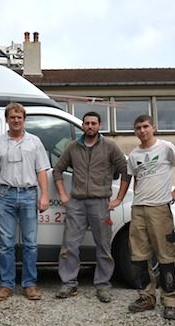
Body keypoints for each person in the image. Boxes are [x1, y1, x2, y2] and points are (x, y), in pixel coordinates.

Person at [53, 111, 130, 303]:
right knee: (70, 245)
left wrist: (119, 198)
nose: (89, 126)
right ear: (82, 126)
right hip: (76, 203)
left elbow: (126, 171)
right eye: (86, 123)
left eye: (93, 123)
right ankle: (69, 284)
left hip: (100, 203)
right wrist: (63, 194)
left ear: (99, 126)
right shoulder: (72, 147)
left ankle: (103, 285)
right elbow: (57, 170)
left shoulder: (110, 147)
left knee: (103, 245)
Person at [125, 114, 175, 320]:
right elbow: (136, 178)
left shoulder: (166, 147)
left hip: (160, 209)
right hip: (139, 208)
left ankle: (170, 300)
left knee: (165, 254)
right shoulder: (134, 154)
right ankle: (146, 296)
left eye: (145, 126)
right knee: (138, 255)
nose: (142, 131)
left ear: (153, 127)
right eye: (138, 128)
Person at [0, 102, 50, 301]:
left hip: (29, 195)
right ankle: (6, 285)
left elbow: (41, 171)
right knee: (6, 244)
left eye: (19, 117)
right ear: (7, 119)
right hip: (5, 195)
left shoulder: (35, 142)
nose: (16, 120)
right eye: (12, 117)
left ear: (24, 119)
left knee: (30, 244)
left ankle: (29, 284)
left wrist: (44, 195)